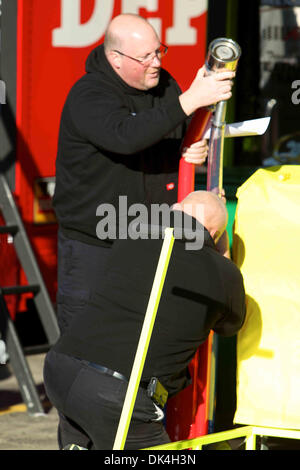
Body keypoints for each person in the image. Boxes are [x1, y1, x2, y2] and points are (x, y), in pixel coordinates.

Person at [52, 13, 235, 335]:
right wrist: (191, 99)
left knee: (139, 338)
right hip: (95, 244)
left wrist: (186, 149)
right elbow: (126, 137)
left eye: (159, 51)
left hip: (148, 240)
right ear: (116, 59)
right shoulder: (90, 95)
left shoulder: (164, 86)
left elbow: (163, 137)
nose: (156, 62)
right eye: (146, 56)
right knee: (87, 337)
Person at [44, 190, 246, 450]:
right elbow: (230, 325)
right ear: (215, 234)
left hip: (62, 368)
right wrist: (224, 250)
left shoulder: (134, 231)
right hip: (117, 397)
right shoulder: (223, 274)